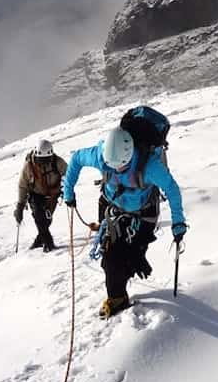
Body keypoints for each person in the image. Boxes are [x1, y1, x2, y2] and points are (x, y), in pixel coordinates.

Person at [63, 127, 188, 318]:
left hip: (143, 214)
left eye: (120, 166)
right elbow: (76, 159)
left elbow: (171, 189)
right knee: (110, 258)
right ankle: (118, 296)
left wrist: (178, 222)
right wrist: (68, 192)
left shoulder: (149, 166)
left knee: (129, 257)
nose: (115, 170)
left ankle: (130, 267)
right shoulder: (100, 155)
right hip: (112, 208)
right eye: (111, 166)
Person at [15, 139, 67, 252]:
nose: (43, 163)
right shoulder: (29, 166)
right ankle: (48, 243)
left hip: (53, 195)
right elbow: (23, 186)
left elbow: (68, 175)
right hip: (36, 194)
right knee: (39, 217)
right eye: (41, 160)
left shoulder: (58, 162)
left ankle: (39, 241)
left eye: (46, 160)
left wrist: (67, 190)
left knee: (47, 220)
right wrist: (20, 205)